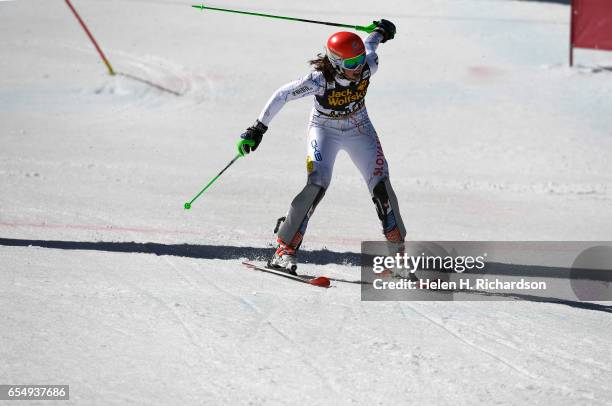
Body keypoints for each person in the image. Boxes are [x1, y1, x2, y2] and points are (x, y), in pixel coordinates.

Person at [237, 19, 405, 275]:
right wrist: (258, 128)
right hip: (324, 130)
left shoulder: (369, 64)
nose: (358, 67)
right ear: (336, 63)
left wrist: (381, 30)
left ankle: (399, 257)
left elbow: (371, 44)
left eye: (359, 60)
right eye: (350, 63)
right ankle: (284, 249)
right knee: (317, 184)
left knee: (382, 186)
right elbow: (282, 94)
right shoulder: (318, 80)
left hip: (360, 128)